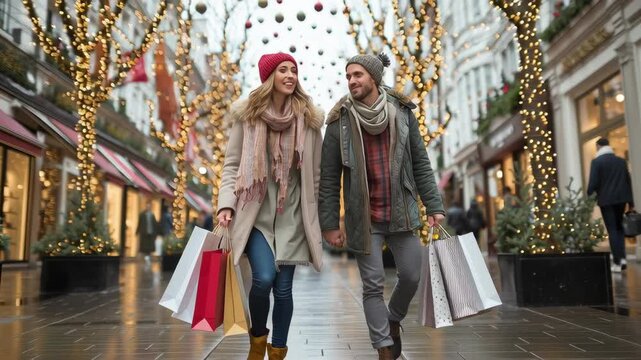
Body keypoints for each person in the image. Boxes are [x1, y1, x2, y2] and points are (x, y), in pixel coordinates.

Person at [319, 53, 445, 360]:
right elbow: (329, 177)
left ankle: (393, 320)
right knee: (372, 286)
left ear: (374, 78)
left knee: (413, 275)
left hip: (401, 210)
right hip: (364, 218)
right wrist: (330, 224)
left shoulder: (401, 112)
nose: (351, 81)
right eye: (348, 76)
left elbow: (421, 163)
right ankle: (384, 349)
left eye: (357, 75)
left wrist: (434, 205)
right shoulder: (339, 122)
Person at [216, 52, 324, 360]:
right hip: (256, 214)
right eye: (283, 70)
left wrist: (314, 216)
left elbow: (315, 175)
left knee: (284, 289)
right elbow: (232, 165)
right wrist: (226, 205)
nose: (290, 75)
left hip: (292, 215)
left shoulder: (310, 121)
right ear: (269, 78)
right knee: (263, 278)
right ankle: (258, 340)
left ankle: (277, 352)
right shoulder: (247, 117)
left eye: (293, 70)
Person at [587, 137, 634, 273]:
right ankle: (623, 258)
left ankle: (617, 262)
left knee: (612, 229)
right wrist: (631, 203)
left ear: (598, 147)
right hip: (622, 199)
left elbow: (593, 183)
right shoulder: (620, 161)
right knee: (619, 228)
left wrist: (589, 193)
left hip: (606, 201)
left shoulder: (597, 162)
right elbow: (627, 180)